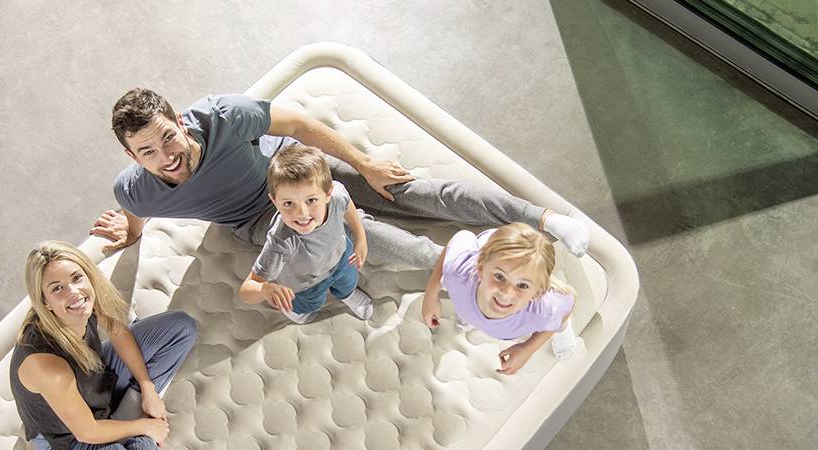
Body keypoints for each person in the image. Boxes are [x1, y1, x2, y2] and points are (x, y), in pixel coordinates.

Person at [89, 89, 589, 268]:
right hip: (258, 221)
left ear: (179, 121)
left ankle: (543, 218)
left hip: (293, 167)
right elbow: (134, 209)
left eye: (168, 138)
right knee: (351, 231)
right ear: (133, 156)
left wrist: (366, 164)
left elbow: (300, 125)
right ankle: (464, 270)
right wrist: (130, 234)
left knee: (413, 193)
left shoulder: (224, 115)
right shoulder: (135, 186)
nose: (166, 157)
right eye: (148, 152)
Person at [9, 241, 197, 450]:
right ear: (45, 302)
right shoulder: (47, 366)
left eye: (77, 278)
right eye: (57, 289)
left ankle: (128, 407)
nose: (74, 292)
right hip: (69, 434)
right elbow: (86, 431)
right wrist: (146, 427)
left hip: (96, 378)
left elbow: (119, 332)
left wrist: (147, 387)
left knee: (182, 328)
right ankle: (129, 420)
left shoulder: (86, 298)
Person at [239, 144, 373, 323]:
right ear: (274, 201)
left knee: (348, 282)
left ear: (327, 194)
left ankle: (347, 295)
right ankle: (297, 312)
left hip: (342, 257)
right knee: (308, 304)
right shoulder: (281, 240)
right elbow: (247, 290)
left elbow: (347, 204)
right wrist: (264, 289)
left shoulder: (337, 194)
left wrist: (360, 235)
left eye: (311, 200)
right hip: (306, 283)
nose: (301, 213)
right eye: (288, 203)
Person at [422, 223, 577, 375]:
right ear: (480, 269)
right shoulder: (459, 273)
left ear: (537, 293)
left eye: (522, 285)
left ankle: (563, 329)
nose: (506, 293)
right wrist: (431, 295)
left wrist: (528, 349)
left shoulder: (542, 312)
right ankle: (475, 315)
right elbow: (461, 237)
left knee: (557, 321)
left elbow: (567, 306)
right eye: (499, 277)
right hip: (488, 245)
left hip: (503, 261)